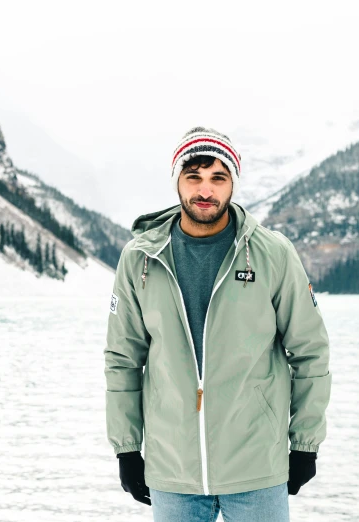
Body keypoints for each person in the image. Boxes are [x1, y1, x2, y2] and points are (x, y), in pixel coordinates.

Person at [104, 126, 332, 521]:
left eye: (217, 178)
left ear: (232, 184)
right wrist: (126, 448)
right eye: (194, 177)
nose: (205, 191)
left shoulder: (272, 254)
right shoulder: (140, 258)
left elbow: (310, 351)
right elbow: (123, 358)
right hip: (172, 471)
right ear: (177, 180)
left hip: (257, 467)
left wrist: (305, 444)